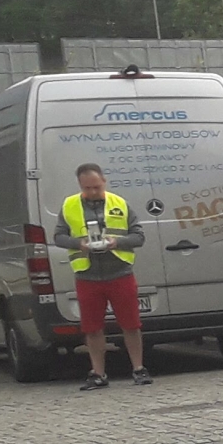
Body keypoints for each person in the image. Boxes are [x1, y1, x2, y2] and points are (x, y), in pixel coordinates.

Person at [61, 161, 148, 390]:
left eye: (96, 187)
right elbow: (58, 236)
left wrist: (116, 242)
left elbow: (139, 236)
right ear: (80, 185)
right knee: (92, 328)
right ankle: (98, 373)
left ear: (104, 181)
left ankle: (138, 369)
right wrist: (78, 244)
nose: (92, 192)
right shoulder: (69, 205)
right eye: (87, 188)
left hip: (119, 272)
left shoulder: (119, 203)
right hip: (87, 275)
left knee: (131, 324)